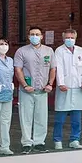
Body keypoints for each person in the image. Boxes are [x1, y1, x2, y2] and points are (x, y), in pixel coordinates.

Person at [14, 26, 55, 154]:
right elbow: (18, 70)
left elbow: (53, 68)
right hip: (27, 90)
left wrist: (50, 84)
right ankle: (26, 143)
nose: (35, 36)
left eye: (37, 34)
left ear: (42, 36)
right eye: (32, 34)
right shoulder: (21, 51)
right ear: (28, 36)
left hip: (42, 90)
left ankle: (39, 142)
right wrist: (25, 85)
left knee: (41, 117)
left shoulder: (49, 51)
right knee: (25, 117)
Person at [52, 29, 82, 150]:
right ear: (63, 39)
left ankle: (75, 139)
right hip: (65, 87)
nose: (69, 40)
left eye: (72, 37)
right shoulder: (59, 51)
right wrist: (61, 83)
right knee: (60, 118)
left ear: (75, 38)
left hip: (78, 87)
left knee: (76, 118)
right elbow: (59, 68)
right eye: (67, 38)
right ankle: (57, 140)